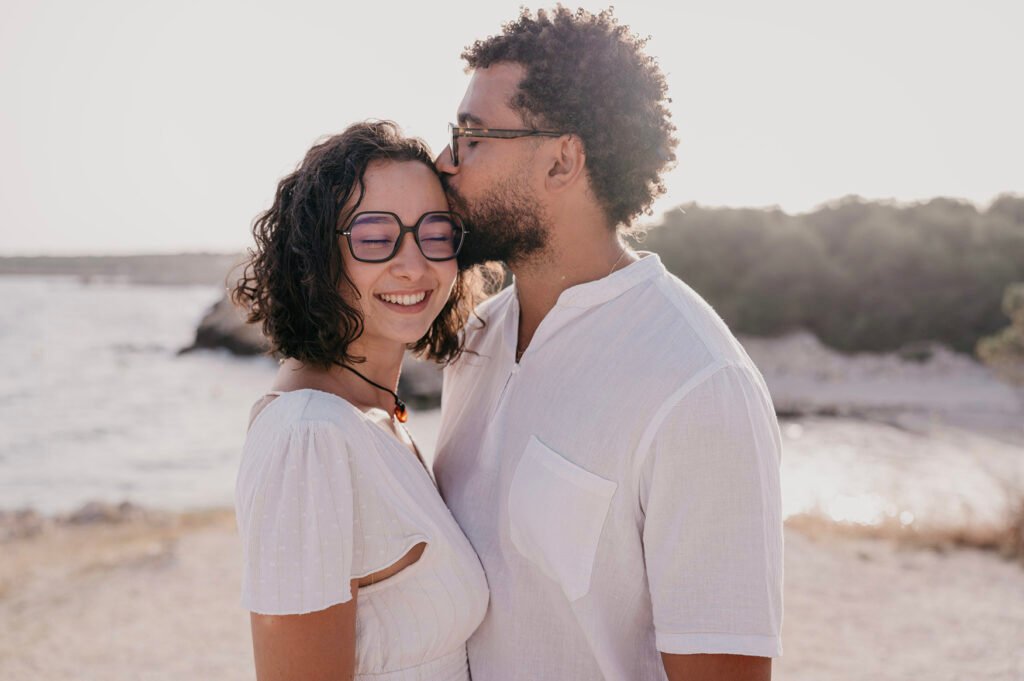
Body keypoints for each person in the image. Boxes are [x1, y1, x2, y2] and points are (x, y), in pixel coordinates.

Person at [433, 8, 783, 681]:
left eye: (472, 137)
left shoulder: (699, 382)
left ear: (563, 159)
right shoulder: (477, 338)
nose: (444, 162)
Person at [231, 121, 491, 681]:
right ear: (318, 257)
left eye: (436, 232)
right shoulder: (309, 438)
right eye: (375, 237)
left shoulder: (376, 420)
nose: (414, 263)